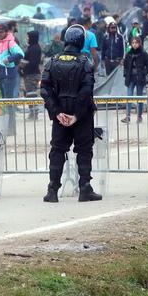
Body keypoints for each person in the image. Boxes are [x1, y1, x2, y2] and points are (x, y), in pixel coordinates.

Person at [39, 24, 100, 203]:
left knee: (57, 150)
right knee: (84, 150)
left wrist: (57, 112)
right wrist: (77, 115)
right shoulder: (86, 63)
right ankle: (85, 188)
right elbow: (86, 91)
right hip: (81, 116)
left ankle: (52, 190)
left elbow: (45, 90)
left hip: (60, 115)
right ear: (81, 42)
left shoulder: (52, 61)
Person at [122, 34, 148, 122]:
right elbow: (125, 65)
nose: (134, 44)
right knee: (129, 97)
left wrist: (144, 73)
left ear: (139, 43)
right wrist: (125, 74)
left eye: (136, 43)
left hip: (140, 78)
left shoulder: (143, 54)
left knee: (140, 97)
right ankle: (127, 116)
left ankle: (139, 116)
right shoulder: (129, 54)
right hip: (130, 78)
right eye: (133, 43)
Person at [0, 24, 24, 99]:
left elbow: (21, 54)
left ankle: (10, 111)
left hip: (10, 75)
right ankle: (7, 111)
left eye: (1, 32)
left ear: (6, 32)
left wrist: (9, 59)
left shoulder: (10, 42)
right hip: (1, 75)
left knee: (9, 99)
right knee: (4, 98)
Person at [21, 30, 43, 97]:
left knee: (31, 95)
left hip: (32, 75)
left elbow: (33, 63)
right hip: (30, 74)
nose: (27, 39)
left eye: (28, 37)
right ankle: (33, 107)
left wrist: (23, 63)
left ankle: (33, 107)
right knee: (30, 93)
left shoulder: (34, 48)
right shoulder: (32, 47)